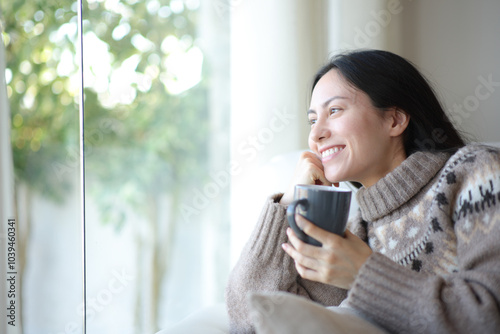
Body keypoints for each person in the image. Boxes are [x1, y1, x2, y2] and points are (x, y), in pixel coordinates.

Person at [225, 49, 500, 333]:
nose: (315, 135)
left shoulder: (475, 173)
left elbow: (488, 316)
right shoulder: (357, 234)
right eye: (312, 120)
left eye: (334, 110)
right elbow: (248, 320)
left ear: (394, 120)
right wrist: (289, 199)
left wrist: (363, 274)